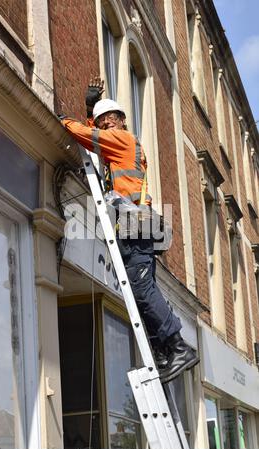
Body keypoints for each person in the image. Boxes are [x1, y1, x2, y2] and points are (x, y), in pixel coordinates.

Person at [59, 82, 199, 383]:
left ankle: (177, 348)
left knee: (141, 286)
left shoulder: (122, 140)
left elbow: (88, 137)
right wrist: (90, 112)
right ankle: (163, 352)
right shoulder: (118, 145)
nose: (106, 122)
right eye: (102, 119)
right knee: (136, 291)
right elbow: (96, 137)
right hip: (133, 222)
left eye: (111, 117)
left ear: (122, 120)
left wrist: (64, 122)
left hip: (136, 221)